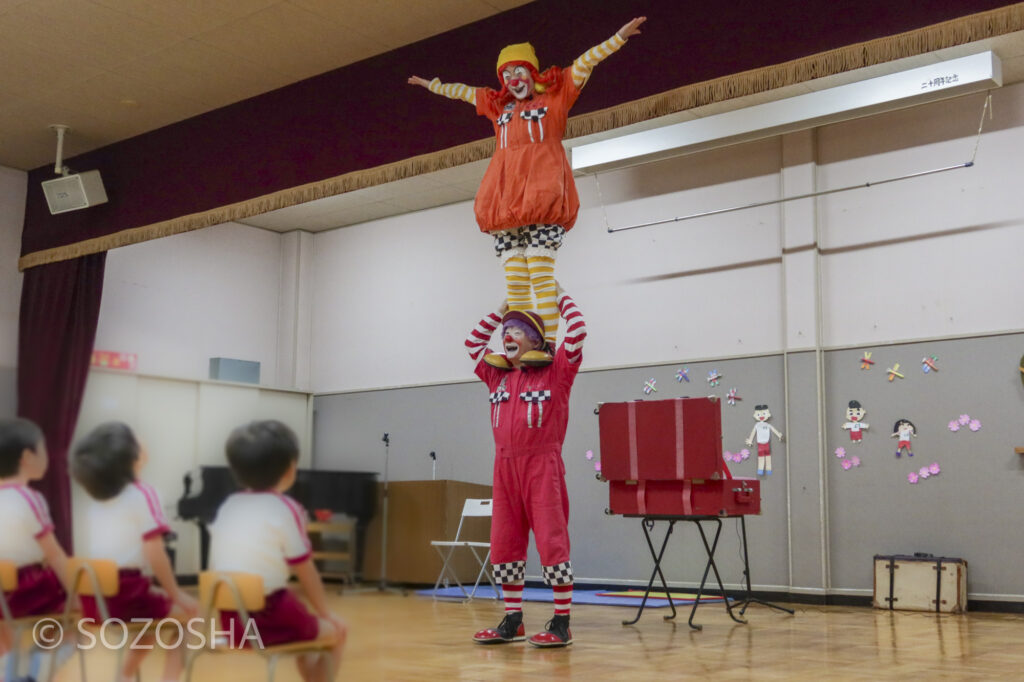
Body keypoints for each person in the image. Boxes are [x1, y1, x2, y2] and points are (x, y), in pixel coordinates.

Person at [410, 17, 645, 366]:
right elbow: (462, 92)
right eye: (505, 74)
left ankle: (546, 344)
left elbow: (587, 61)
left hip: (542, 189)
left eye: (518, 71)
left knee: (540, 270)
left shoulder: (557, 92)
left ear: (533, 72)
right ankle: (516, 347)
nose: (512, 80)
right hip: (504, 194)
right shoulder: (497, 105)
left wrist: (617, 38)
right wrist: (433, 85)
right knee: (515, 276)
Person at [464, 282, 587, 648]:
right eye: (505, 332)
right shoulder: (497, 376)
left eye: (515, 330)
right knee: (504, 542)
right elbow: (472, 345)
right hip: (503, 468)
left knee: (551, 539)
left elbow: (578, 330)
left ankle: (561, 623)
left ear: (535, 340)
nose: (507, 336)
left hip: (542, 466)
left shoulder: (557, 373)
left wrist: (560, 297)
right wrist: (499, 312)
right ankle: (513, 620)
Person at [209, 420, 346, 682]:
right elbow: (305, 570)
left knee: (305, 630)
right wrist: (326, 614)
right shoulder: (286, 508)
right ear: (290, 469)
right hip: (269, 619)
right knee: (336, 630)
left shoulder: (229, 505)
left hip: (231, 623)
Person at [72, 422, 198, 682]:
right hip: (124, 595)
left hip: (94, 600)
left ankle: (125, 675)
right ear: (133, 457)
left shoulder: (98, 501)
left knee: (151, 624)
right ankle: (159, 678)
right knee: (189, 617)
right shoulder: (143, 493)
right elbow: (155, 553)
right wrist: (177, 594)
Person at [0, 417, 69, 675]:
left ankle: (13, 666)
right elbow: (55, 555)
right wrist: (79, 594)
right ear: (27, 457)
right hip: (26, 588)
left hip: (2, 594)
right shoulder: (30, 498)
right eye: (44, 450)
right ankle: (38, 664)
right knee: (78, 618)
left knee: (7, 639)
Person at [744, 404, 784, 476]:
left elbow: (774, 430)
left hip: (766, 443)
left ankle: (769, 469)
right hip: (760, 444)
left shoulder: (768, 425)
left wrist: (779, 435)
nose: (761, 416)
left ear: (767, 414)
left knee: (768, 457)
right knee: (761, 457)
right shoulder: (757, 425)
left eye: (764, 413)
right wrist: (750, 440)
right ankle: (760, 470)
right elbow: (753, 433)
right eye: (759, 414)